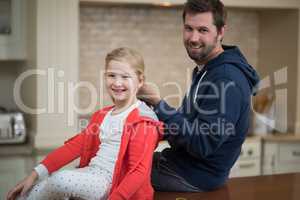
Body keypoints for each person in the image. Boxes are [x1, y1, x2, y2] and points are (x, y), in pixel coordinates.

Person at [7, 47, 163, 200]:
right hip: (92, 173)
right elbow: (74, 147)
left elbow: (138, 173)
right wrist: (34, 175)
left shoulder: (143, 120)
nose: (117, 82)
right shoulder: (103, 115)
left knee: (61, 180)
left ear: (140, 80)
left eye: (125, 77)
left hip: (112, 184)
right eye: (111, 75)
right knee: (41, 185)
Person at [138, 0, 260, 192]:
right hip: (181, 166)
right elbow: (187, 126)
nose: (193, 38)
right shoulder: (207, 70)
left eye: (203, 30)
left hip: (192, 176)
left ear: (220, 32)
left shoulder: (226, 78)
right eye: (189, 28)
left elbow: (202, 143)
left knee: (110, 174)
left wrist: (159, 104)